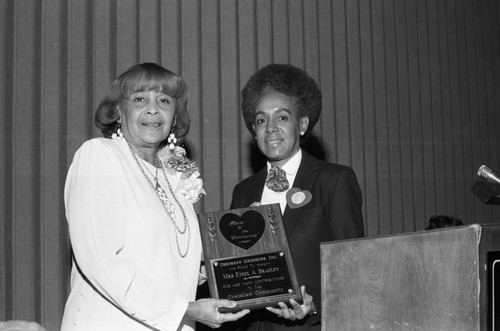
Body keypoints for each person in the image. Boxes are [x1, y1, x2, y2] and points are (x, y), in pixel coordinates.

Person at [61, 63, 249, 330]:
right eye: (139, 99)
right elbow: (101, 261)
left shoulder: (175, 175)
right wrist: (187, 309)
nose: (153, 109)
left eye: (164, 100)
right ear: (117, 110)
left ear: (175, 115)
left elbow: (170, 266)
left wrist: (234, 253)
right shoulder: (99, 155)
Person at [223, 63, 365, 330]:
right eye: (262, 119)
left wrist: (314, 308)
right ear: (254, 131)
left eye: (282, 117)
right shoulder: (243, 192)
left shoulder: (334, 180)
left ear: (302, 124)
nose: (271, 128)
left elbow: (353, 268)